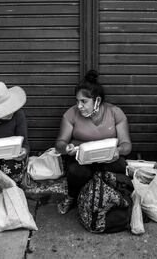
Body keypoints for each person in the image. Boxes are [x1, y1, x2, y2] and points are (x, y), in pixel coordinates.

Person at [55, 70, 132, 214]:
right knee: (75, 171)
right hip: (81, 160)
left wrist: (118, 151)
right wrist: (67, 148)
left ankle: (112, 198)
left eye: (84, 101)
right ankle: (73, 196)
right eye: (77, 101)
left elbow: (127, 145)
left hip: (108, 159)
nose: (79, 106)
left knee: (120, 165)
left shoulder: (115, 113)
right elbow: (59, 144)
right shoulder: (71, 114)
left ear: (97, 101)